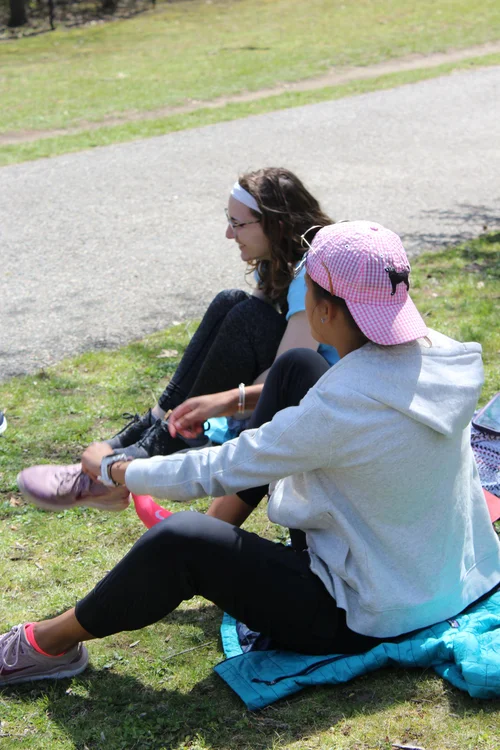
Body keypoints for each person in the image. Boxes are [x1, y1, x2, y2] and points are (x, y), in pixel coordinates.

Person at [3, 220, 500, 687]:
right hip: (453, 577)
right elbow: (310, 415)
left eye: (307, 286)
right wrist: (230, 400)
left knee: (181, 539)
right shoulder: (442, 353)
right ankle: (218, 532)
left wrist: (118, 469)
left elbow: (222, 466)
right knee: (297, 367)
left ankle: (48, 647)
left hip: (370, 615)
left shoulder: (343, 405)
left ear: (326, 310)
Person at [16, 168, 336, 518]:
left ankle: (144, 454)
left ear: (276, 224)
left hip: (318, 402)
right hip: (279, 390)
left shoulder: (309, 276)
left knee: (246, 316)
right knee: (231, 301)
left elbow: (282, 379)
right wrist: (179, 411)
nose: (229, 234)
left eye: (238, 224)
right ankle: (139, 437)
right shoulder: (275, 263)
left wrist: (219, 408)